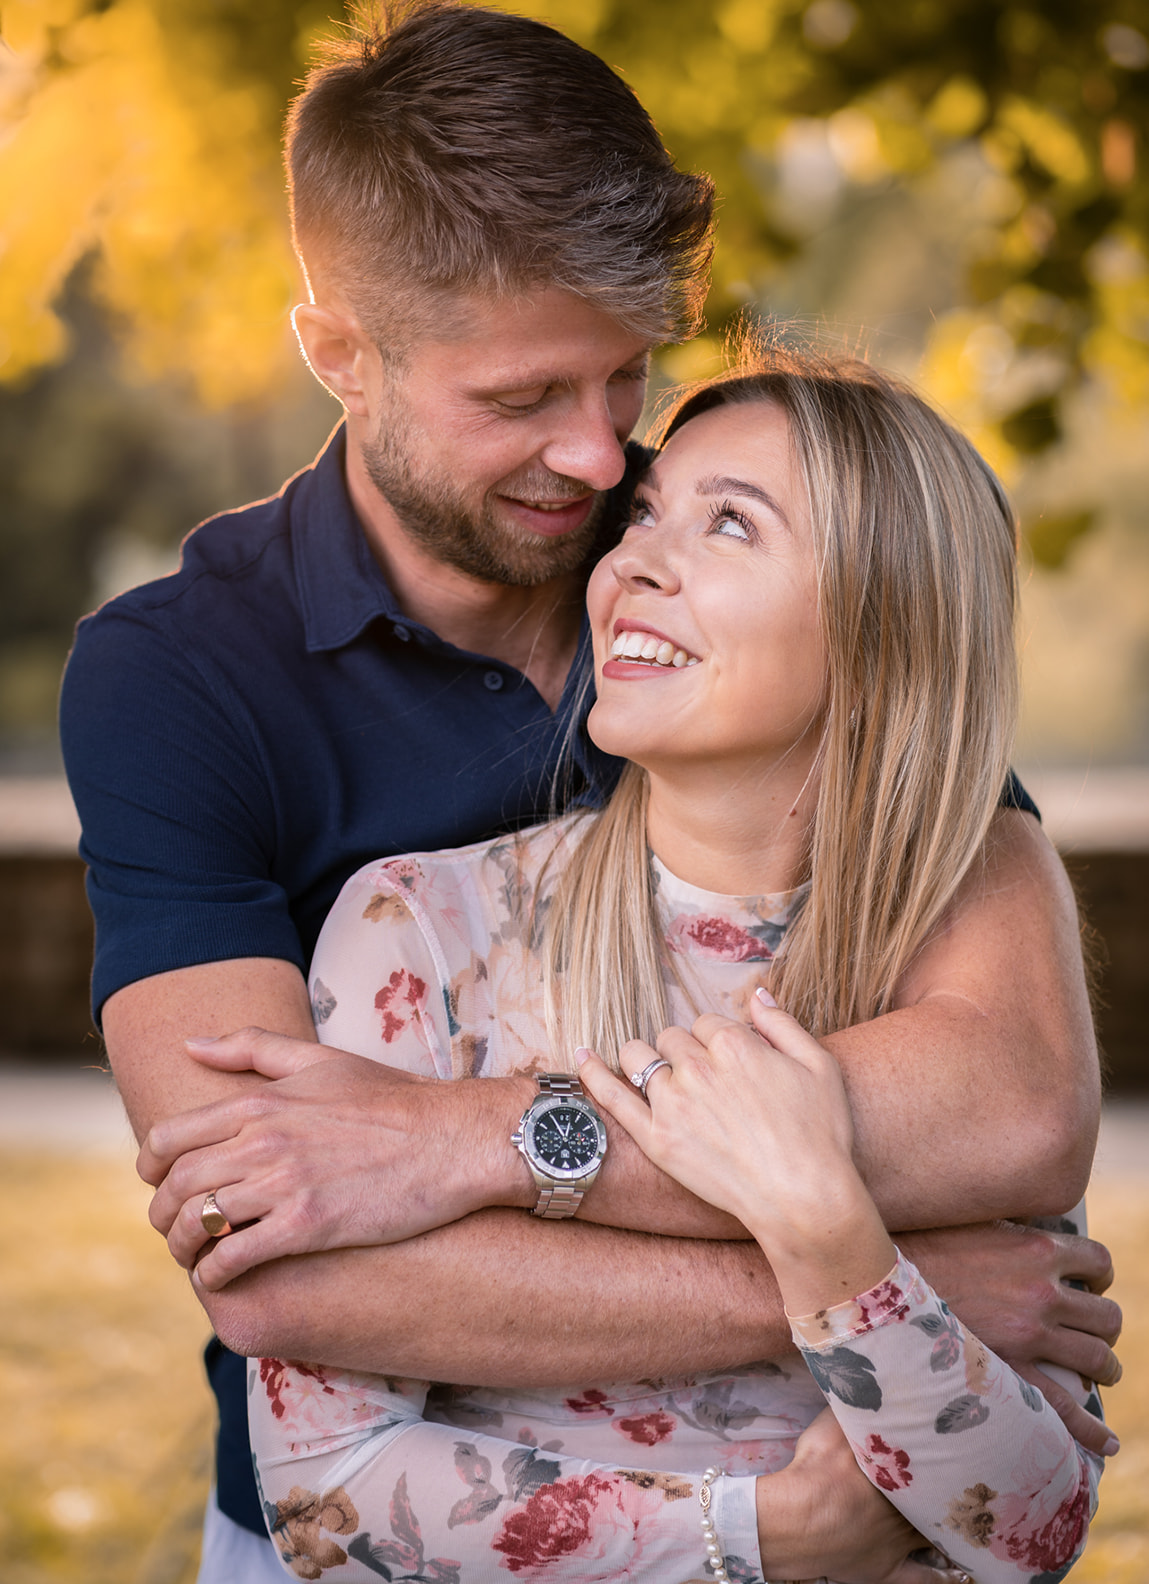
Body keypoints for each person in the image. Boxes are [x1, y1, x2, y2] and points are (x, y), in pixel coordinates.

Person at [60, 0, 1118, 1582]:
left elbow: (1013, 1102)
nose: (597, 460)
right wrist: (871, 1288)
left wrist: (469, 1146)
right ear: (336, 350)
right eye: (518, 400)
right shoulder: (180, 678)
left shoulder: (716, 579)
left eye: (624, 376)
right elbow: (278, 1265)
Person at [212, 352, 1108, 1583]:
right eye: (645, 514)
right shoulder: (422, 932)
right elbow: (330, 1491)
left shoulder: (955, 983)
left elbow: (1032, 1537)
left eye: (731, 523)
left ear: (881, 621)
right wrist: (754, 1535)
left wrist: (833, 1241)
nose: (631, 562)